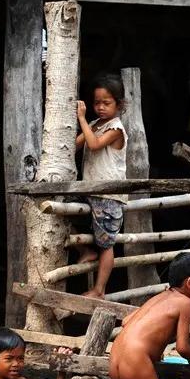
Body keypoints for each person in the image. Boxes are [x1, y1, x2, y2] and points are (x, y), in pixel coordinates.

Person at [74, 72, 128, 299]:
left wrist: (82, 120)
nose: (101, 107)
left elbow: (94, 145)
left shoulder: (116, 129)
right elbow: (75, 145)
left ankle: (99, 290)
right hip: (90, 191)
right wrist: (85, 125)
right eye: (97, 103)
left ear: (119, 104)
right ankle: (85, 250)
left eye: (106, 103)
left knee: (106, 244)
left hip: (108, 194)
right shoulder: (95, 124)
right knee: (64, 213)